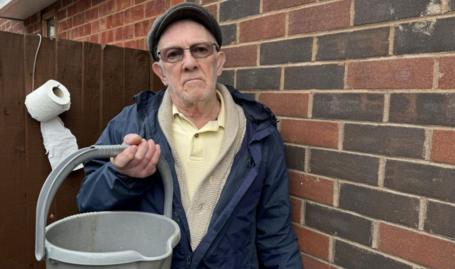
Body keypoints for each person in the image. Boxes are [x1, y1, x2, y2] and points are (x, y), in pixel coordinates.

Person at [77, 2, 301, 268]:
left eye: (201, 50)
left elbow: (276, 236)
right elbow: (88, 205)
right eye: (173, 54)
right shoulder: (130, 124)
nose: (190, 63)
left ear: (219, 62)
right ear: (160, 72)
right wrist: (122, 177)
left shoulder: (259, 135)